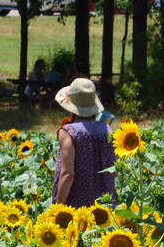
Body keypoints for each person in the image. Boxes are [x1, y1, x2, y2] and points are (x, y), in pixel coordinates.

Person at [50, 76, 118, 208]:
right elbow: (114, 171)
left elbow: (67, 174)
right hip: (104, 211)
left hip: (76, 209)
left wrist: (57, 209)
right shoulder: (108, 130)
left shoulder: (69, 132)